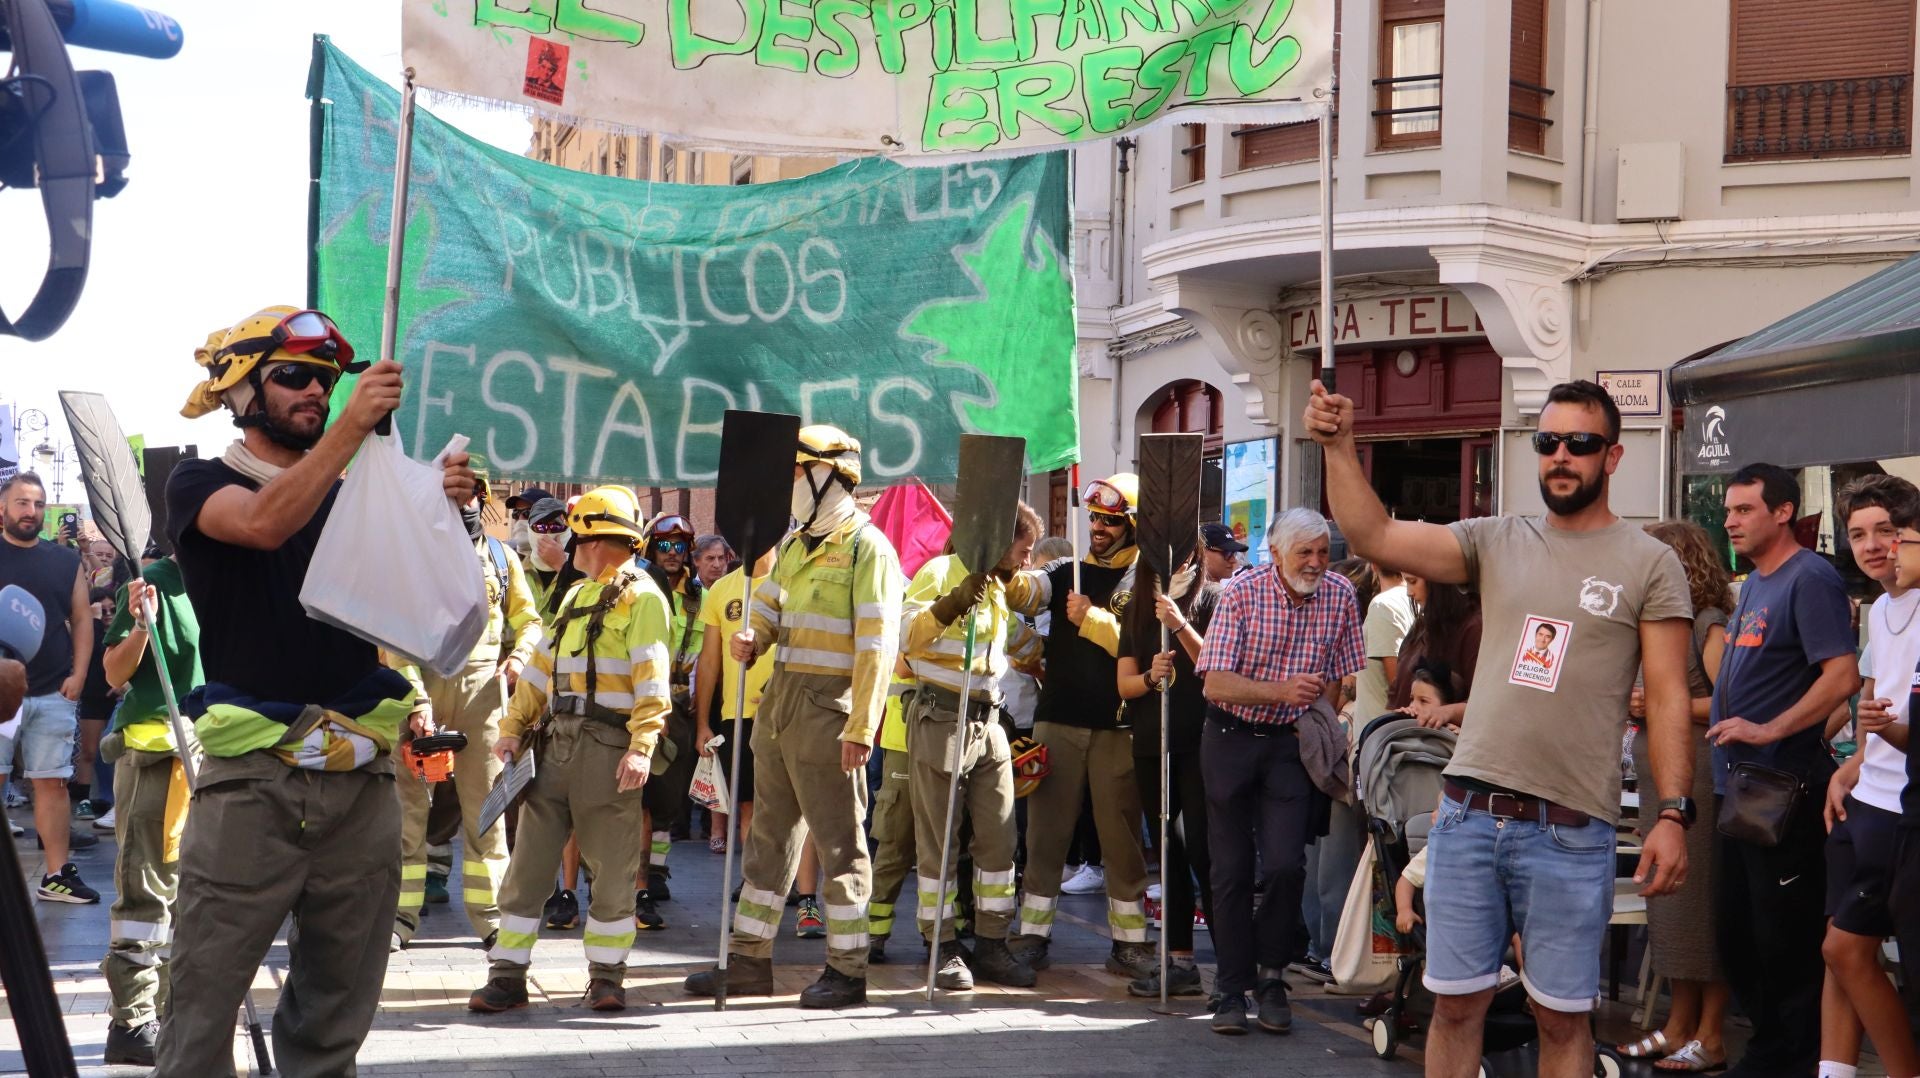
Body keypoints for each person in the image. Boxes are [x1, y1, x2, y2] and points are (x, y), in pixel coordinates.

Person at [1305, 377, 1694, 1078]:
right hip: (1467, 819)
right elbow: (1373, 534)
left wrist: (1672, 811)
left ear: (1613, 455)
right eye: (1549, 442)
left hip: (1571, 830)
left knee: (1561, 1019)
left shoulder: (1648, 562)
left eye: (1581, 443)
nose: (1562, 457)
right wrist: (1340, 447)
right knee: (1454, 1009)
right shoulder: (1498, 539)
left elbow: (1667, 699)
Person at [157, 306, 475, 1075]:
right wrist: (354, 431)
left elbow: (415, 603)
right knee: (200, 1009)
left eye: (327, 382)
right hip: (252, 789)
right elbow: (266, 522)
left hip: (359, 782)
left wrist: (439, 508)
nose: (315, 391)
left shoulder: (353, 491)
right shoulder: (200, 482)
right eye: (293, 376)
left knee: (337, 1014)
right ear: (240, 392)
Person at [684, 425, 902, 1008]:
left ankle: (848, 968)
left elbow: (877, 648)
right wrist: (754, 639)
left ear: (828, 476)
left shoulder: (867, 548)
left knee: (840, 845)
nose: (786, 488)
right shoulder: (797, 546)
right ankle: (750, 961)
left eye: (793, 474)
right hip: (778, 706)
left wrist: (862, 727)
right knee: (768, 840)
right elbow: (776, 613)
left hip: (831, 715)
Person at [467, 485, 672, 1014]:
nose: (568, 541)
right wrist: (513, 727)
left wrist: (642, 747)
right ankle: (507, 976)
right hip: (555, 745)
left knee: (613, 868)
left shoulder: (644, 598)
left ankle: (607, 977)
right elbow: (539, 671)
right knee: (529, 864)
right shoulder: (577, 596)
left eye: (577, 532)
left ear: (597, 538)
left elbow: (653, 683)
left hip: (609, 748)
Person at [1708, 463, 1861, 1078]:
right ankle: (1772, 1051)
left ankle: (1785, 1061)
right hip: (1741, 789)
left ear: (1783, 512)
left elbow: (1842, 677)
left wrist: (1771, 729)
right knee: (1738, 935)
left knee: (1783, 941)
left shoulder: (1810, 577)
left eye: (1744, 510)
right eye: (1727, 511)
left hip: (1784, 789)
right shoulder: (1753, 583)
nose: (1729, 521)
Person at [1195, 508, 1364, 1036]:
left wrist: (1316, 718)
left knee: (1289, 865)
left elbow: (1340, 674)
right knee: (1231, 870)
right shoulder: (1241, 595)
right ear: (1275, 555)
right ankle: (1230, 989)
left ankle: (1271, 977)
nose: (1315, 563)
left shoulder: (1339, 595)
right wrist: (1281, 691)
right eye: (1304, 553)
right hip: (1229, 737)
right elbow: (1214, 683)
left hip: (1289, 745)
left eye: (1322, 551)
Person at [1003, 473, 1157, 981]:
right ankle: (1031, 935)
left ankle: (1129, 944)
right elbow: (1028, 592)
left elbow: (1145, 651)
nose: (1099, 528)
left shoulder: (1148, 581)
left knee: (1120, 841)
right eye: (1095, 518)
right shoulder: (1066, 572)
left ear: (1133, 526)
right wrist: (1009, 573)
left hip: (1118, 728)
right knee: (1045, 836)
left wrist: (1091, 618)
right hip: (1058, 722)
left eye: (1111, 521)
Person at [387, 478, 543, 953]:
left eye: (471, 494)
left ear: (482, 499)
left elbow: (531, 621)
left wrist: (520, 658)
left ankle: (491, 918)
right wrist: (415, 701)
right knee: (408, 816)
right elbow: (393, 637)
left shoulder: (503, 558)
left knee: (487, 815)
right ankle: (398, 918)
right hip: (423, 692)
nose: (462, 503)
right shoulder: (410, 559)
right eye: (452, 495)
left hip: (485, 700)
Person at [900, 502, 1045, 991]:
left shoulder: (1000, 587)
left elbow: (1017, 645)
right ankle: (941, 947)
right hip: (942, 716)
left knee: (999, 839)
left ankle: (991, 944)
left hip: (990, 721)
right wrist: (952, 602)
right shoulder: (940, 572)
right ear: (1001, 541)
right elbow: (904, 641)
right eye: (1023, 551)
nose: (1027, 562)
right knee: (940, 843)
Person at [1615, 520, 1735, 1073]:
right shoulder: (1658, 624)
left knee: (1701, 909)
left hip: (1701, 782)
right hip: (1661, 784)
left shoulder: (1709, 623)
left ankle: (1710, 1034)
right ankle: (1678, 1023)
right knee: (1670, 910)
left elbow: (1730, 703)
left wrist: (1664, 706)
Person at [1817, 476, 1920, 1078]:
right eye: (1857, 533)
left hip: (1900, 812)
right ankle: (1835, 1071)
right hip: (1864, 799)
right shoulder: (1879, 609)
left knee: (1846, 948)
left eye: (1886, 531)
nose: (1872, 545)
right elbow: (1875, 712)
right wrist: (1850, 768)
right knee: (1836, 950)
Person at [95, 548, 203, 1066]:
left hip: (215, 758)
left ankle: (174, 1010)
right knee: (147, 892)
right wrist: (141, 627)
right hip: (158, 762)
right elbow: (114, 673)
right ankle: (134, 1019)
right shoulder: (151, 583)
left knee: (195, 892)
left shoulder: (232, 578)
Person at [1117, 532, 1220, 998]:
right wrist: (1148, 676)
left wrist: (1179, 624)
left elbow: (1214, 667)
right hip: (1152, 743)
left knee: (1206, 850)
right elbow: (1124, 684)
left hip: (1201, 743)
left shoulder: (1215, 598)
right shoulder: (1136, 606)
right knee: (1169, 851)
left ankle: (1234, 964)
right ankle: (1179, 959)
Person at [0, 471, 99, 902]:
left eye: (38, 504)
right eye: (22, 503)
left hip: (51, 691)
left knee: (52, 783)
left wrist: (77, 675)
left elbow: (81, 619)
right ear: (3, 508)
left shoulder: (64, 561)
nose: (31, 511)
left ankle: (57, 875)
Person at [635, 513, 703, 930]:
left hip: (681, 702)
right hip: (643, 698)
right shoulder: (640, 591)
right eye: (665, 545)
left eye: (680, 547)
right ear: (649, 548)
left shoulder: (701, 598)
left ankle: (658, 868)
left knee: (670, 792)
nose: (673, 554)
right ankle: (641, 873)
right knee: (641, 792)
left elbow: (705, 648)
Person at [695, 541, 772, 858]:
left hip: (787, 711)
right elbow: (709, 661)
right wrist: (702, 724)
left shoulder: (793, 581)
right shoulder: (722, 589)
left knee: (787, 803)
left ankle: (791, 882)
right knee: (748, 803)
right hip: (737, 713)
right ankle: (755, 882)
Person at [1389, 575, 1482, 728]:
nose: (1409, 592)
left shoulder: (1474, 628)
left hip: (1441, 745)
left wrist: (1447, 713)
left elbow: (1485, 703)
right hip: (1404, 739)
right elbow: (1396, 692)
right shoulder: (1422, 626)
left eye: (1413, 582)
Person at [519, 496, 571, 613]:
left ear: (568, 530)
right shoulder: (516, 571)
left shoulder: (583, 572)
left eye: (555, 527)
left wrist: (562, 567)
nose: (547, 533)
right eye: (540, 527)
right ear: (529, 529)